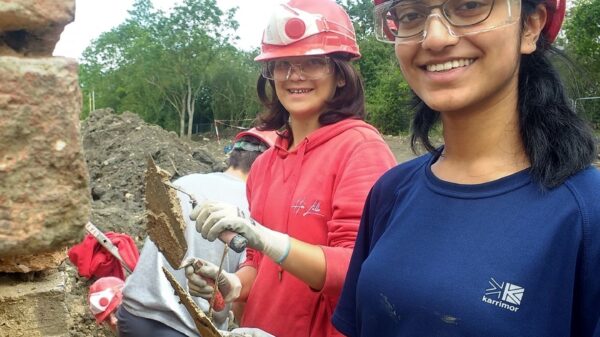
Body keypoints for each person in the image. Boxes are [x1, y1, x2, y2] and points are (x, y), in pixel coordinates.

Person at [333, 0, 600, 336]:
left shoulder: (587, 213)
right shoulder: (391, 190)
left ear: (530, 26)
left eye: (470, 6)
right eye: (412, 15)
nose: (434, 38)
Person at [184, 1, 397, 337]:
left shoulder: (359, 149)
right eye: (282, 64)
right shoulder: (265, 164)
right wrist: (233, 285)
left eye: (313, 62)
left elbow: (358, 268)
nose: (295, 75)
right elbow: (258, 261)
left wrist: (268, 239)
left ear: (341, 75)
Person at [115, 128, 277, 337]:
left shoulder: (184, 183)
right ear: (268, 166)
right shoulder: (253, 208)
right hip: (185, 327)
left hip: (133, 315)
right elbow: (242, 291)